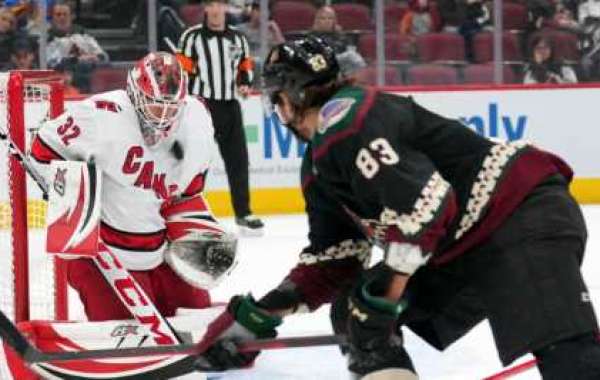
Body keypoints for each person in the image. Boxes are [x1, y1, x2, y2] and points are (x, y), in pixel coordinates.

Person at [198, 37, 600, 379]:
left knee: (568, 355)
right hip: (463, 243)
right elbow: (333, 262)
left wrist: (386, 295)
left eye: (276, 101)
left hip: (517, 214)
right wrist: (257, 317)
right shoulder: (322, 162)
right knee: (354, 311)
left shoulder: (347, 118)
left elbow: (424, 206)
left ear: (287, 101)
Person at [29, 52, 235, 322]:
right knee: (128, 331)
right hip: (102, 257)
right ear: (136, 95)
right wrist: (70, 192)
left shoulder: (197, 117)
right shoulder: (99, 115)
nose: (163, 116)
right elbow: (42, 150)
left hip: (162, 254)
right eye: (154, 105)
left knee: (195, 317)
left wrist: (197, 231)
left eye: (171, 107)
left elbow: (189, 191)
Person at [178, 0, 264, 235]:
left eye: (220, 4)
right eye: (211, 5)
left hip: (230, 106)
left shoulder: (238, 38)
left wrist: (245, 83)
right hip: (202, 107)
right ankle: (187, 212)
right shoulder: (191, 37)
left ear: (226, 8)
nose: (216, 10)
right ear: (205, 8)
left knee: (238, 161)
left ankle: (243, 213)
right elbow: (182, 72)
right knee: (195, 163)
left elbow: (245, 67)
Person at [45, 1, 109, 92]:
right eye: (58, 15)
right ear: (52, 18)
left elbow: (104, 56)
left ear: (71, 17)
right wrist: (77, 59)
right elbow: (51, 62)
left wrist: (95, 57)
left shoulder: (82, 33)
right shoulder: (47, 38)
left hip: (89, 77)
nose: (62, 18)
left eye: (65, 14)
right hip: (62, 81)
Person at [309, 5, 365, 76]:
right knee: (351, 56)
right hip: (323, 66)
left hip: (341, 66)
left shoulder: (339, 35)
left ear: (334, 21)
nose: (327, 21)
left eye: (330, 18)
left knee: (351, 56)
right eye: (323, 18)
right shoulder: (312, 36)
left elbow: (348, 49)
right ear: (317, 21)